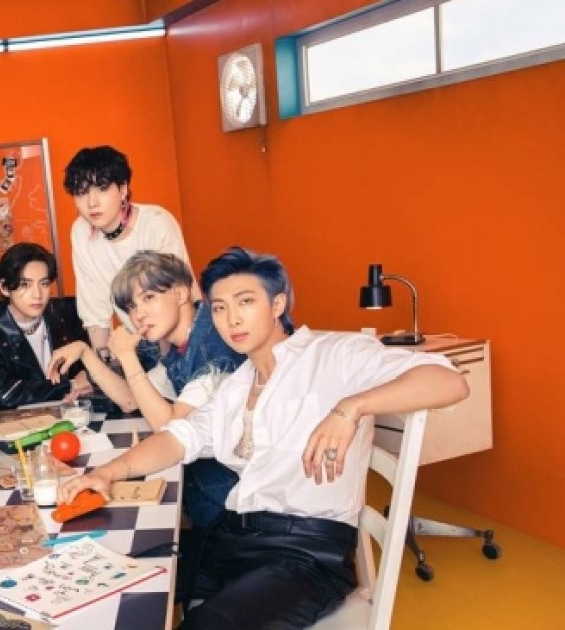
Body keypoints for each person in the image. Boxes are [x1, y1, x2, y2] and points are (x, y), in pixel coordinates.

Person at [60, 246, 469, 629]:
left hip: (302, 555)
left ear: (277, 304)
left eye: (246, 302)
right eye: (220, 307)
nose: (232, 319)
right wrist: (107, 473)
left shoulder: (332, 355)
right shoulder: (237, 385)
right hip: (232, 538)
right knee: (116, 591)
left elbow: (449, 381)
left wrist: (351, 408)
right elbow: (177, 438)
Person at [48, 251, 245, 528]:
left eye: (149, 297)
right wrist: (85, 353)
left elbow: (170, 427)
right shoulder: (180, 342)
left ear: (180, 294)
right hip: (204, 492)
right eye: (131, 307)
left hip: (232, 505)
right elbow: (131, 400)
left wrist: (128, 358)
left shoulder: (212, 345)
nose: (138, 314)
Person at [64, 145, 197, 370]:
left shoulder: (155, 223)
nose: (92, 202)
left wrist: (165, 371)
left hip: (186, 338)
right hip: (142, 340)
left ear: (123, 189)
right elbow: (94, 309)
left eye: (102, 188)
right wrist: (103, 368)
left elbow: (172, 303)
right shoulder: (81, 231)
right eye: (81, 192)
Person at [0, 243, 92, 410]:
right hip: (24, 423)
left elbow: (97, 358)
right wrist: (70, 385)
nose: (37, 294)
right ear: (4, 287)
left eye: (44, 283)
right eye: (25, 285)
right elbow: (3, 396)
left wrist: (88, 374)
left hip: (78, 414)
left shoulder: (68, 312)